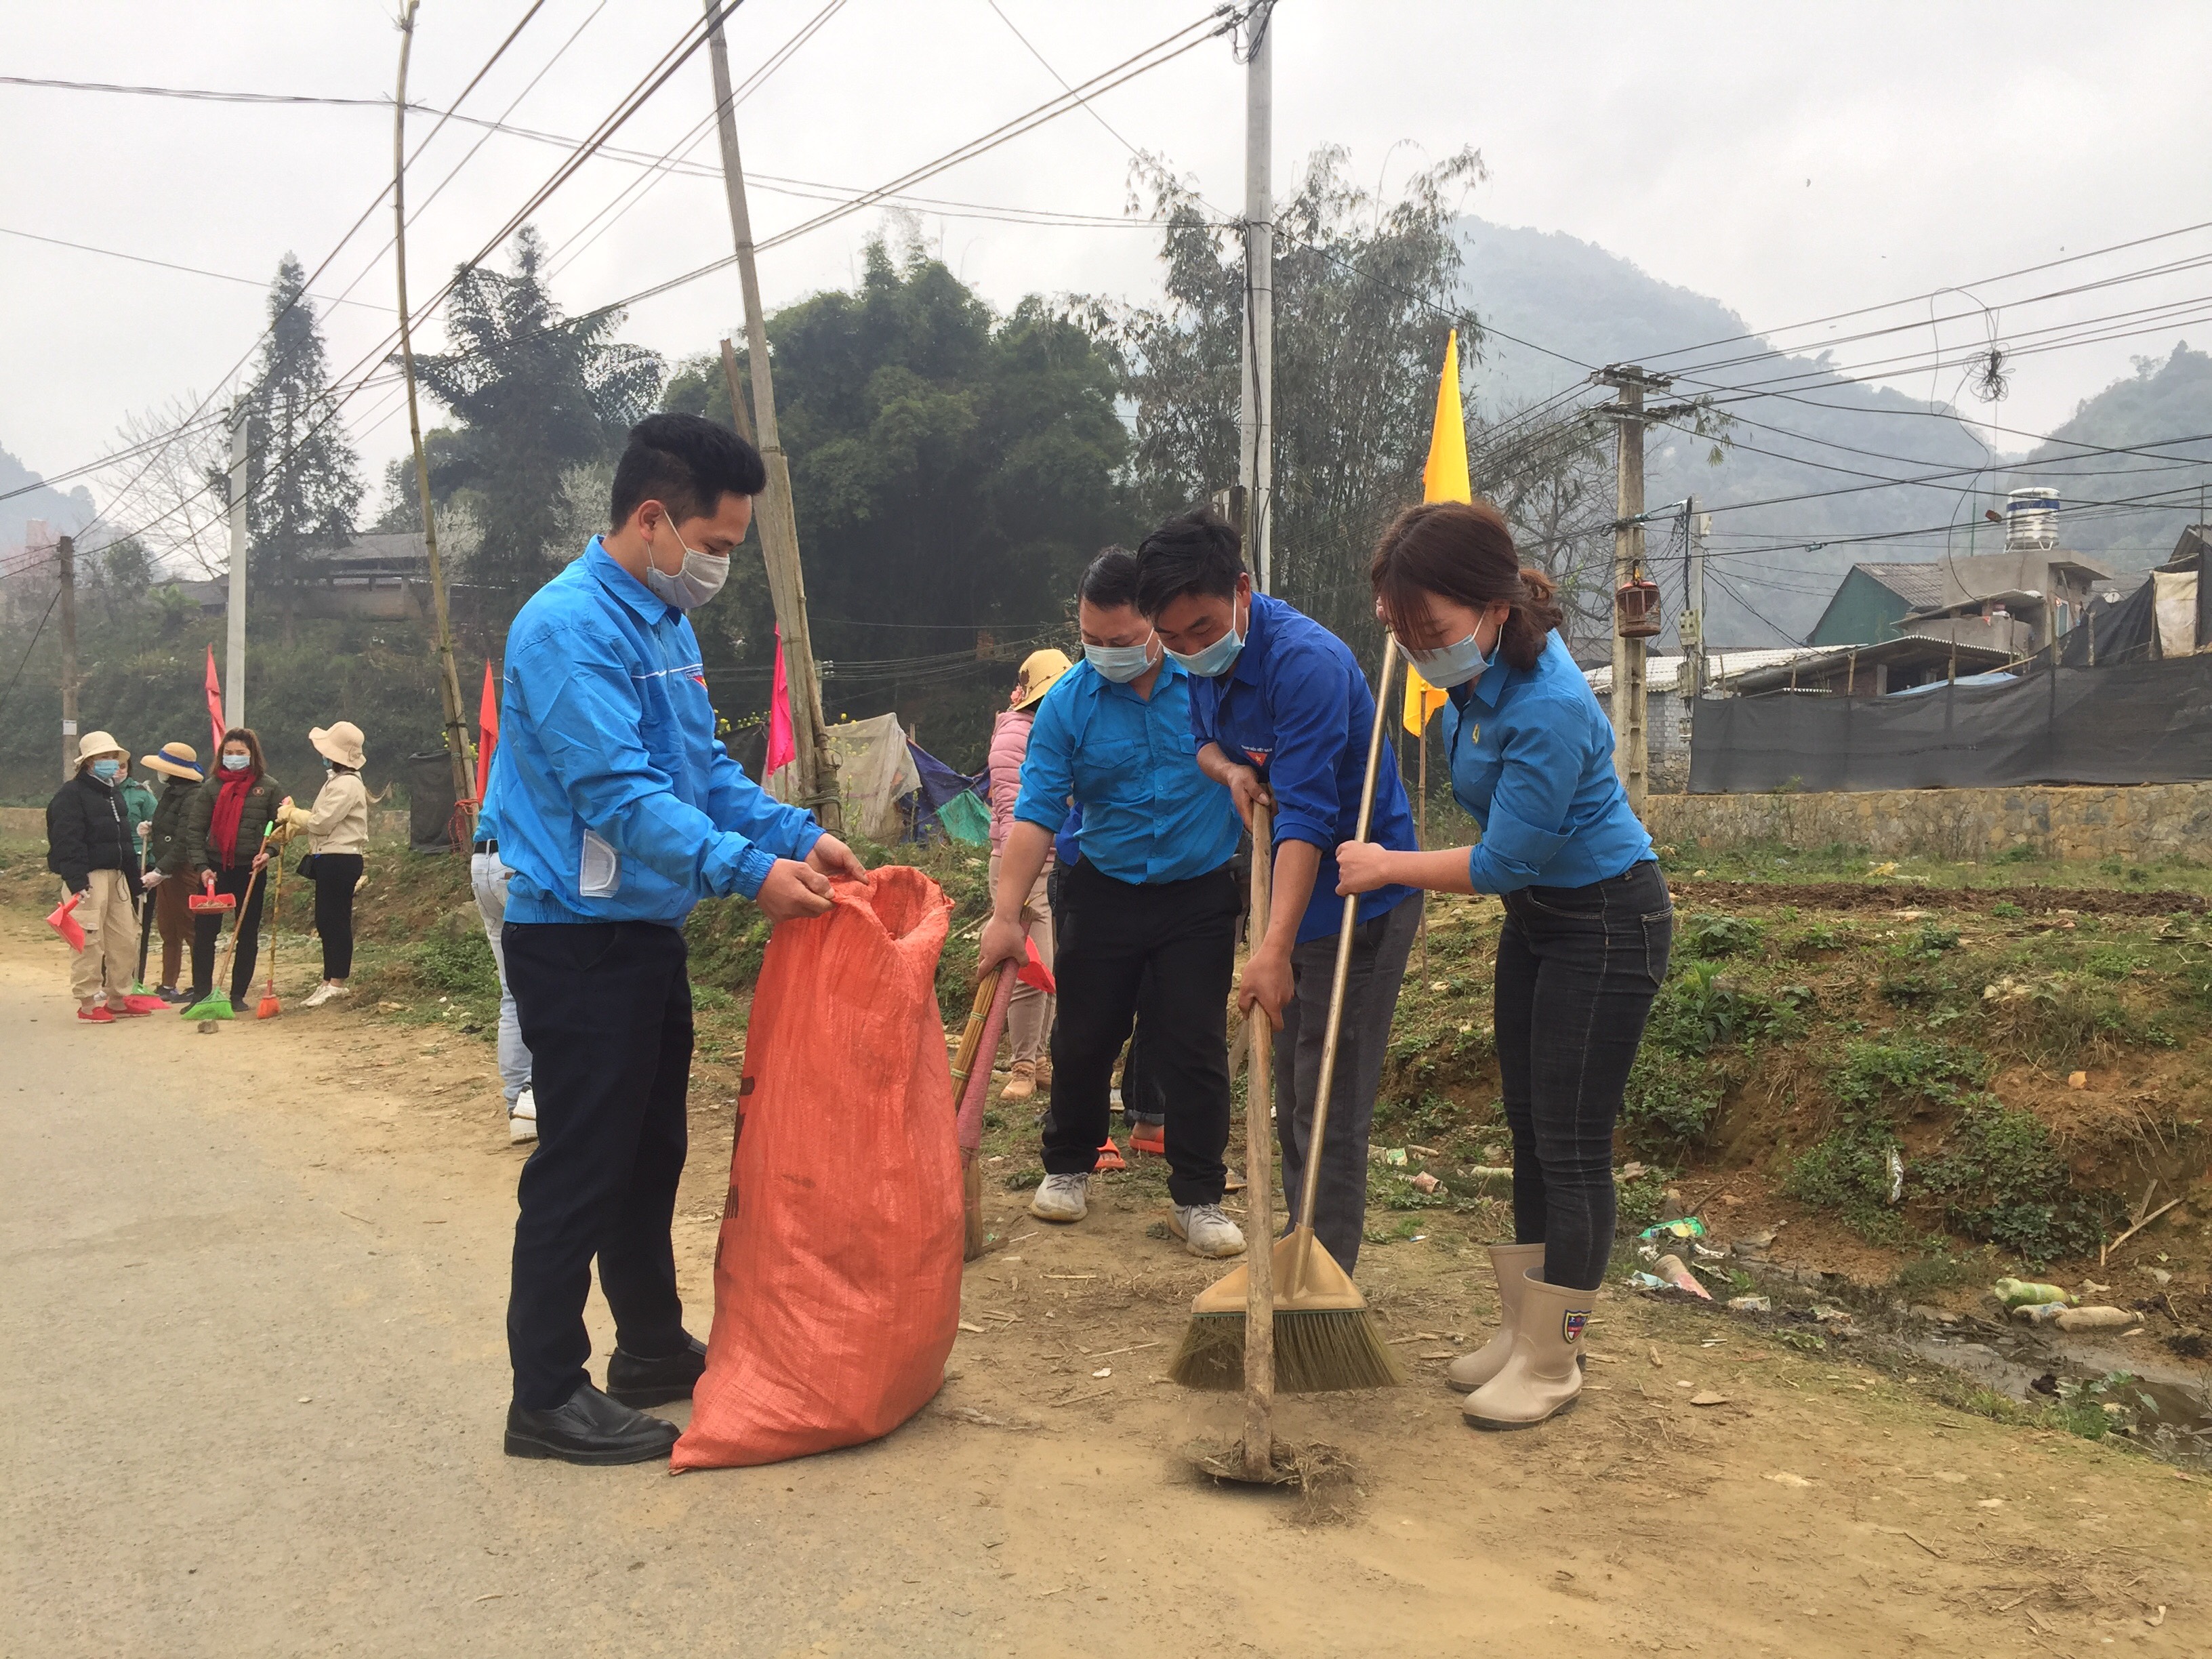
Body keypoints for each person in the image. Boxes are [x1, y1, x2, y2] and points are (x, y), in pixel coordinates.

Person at [489, 411, 865, 1467]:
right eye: (719, 546)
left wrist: (802, 836)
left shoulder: (662, 625)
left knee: (649, 1154)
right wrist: (750, 874)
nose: (720, 567)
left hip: (643, 934)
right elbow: (617, 794)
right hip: (574, 940)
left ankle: (650, 1348)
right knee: (582, 1162)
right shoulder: (567, 629)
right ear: (654, 520)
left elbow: (703, 778)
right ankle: (545, 1393)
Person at [1336, 499, 1672, 1430]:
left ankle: (1554, 1356)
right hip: (1542, 922)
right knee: (1528, 1131)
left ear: (1492, 606)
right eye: (1401, 632)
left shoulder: (1551, 705)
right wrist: (1405, 618)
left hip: (1605, 925)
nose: (1419, 648)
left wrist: (1389, 867)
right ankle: (1523, 1334)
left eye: (1432, 629)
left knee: (1572, 1146)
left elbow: (1504, 860)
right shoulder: (1475, 678)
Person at [1136, 508, 1422, 1280]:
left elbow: (1306, 816)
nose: (1192, 649)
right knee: (1292, 1089)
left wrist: (1269, 951)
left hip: (1362, 897)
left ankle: (1321, 1276)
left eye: (1202, 627)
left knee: (1325, 1102)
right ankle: (1299, 1247)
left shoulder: (1307, 665)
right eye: (1175, 638)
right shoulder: (1204, 664)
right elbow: (1203, 740)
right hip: (1291, 896)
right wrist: (1229, 772)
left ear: (1242, 589)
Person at [977, 548, 1246, 1261]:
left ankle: (1199, 1196)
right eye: (1091, 641)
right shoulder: (1069, 701)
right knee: (1086, 1035)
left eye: (1122, 643)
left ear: (1158, 626)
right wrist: (1007, 916)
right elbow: (1035, 813)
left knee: (1192, 1042)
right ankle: (1068, 1165)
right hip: (1101, 887)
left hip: (1198, 889)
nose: (1105, 654)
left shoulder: (1210, 684)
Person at [986, 647, 1069, 1104]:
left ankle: (1039, 1060)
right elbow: (1023, 816)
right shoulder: (1016, 737)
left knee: (1051, 966)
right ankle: (1021, 1063)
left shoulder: (1043, 731)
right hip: (1022, 866)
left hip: (1053, 863)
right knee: (1025, 968)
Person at [47, 730, 155, 1022]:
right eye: (103, 757)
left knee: (126, 937)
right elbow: (67, 840)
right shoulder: (70, 795)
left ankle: (118, 998)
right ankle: (87, 1003)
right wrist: (76, 881)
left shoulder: (114, 795)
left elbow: (124, 842)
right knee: (89, 941)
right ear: (88, 762)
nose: (110, 762)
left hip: (117, 877)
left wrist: (135, 882)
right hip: (88, 878)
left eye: (113, 757)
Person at [182, 729, 290, 1010]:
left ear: (252, 755)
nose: (234, 758)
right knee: (205, 932)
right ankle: (202, 994)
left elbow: (282, 828)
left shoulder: (269, 787)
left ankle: (237, 996)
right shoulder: (211, 787)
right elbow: (195, 830)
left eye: (240, 753)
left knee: (247, 932)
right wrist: (202, 867)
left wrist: (268, 853)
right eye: (228, 753)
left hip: (251, 870)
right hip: (215, 870)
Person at [279, 721, 370, 1008]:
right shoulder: (334, 781)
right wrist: (295, 826)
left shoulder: (348, 784)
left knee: (336, 921)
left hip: (341, 859)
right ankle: (328, 980)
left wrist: (293, 815)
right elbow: (321, 821)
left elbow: (321, 822)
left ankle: (337, 982)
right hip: (328, 857)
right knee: (326, 920)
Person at [470, 791, 537, 1145]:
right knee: (549, 987)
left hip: (483, 861)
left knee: (513, 994)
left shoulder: (508, 744)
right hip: (516, 859)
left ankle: (518, 1104)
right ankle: (533, 1097)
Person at [138, 740, 205, 1002]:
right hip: (165, 867)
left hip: (183, 868)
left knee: (190, 927)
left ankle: (201, 983)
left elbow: (186, 837)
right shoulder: (172, 791)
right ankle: (168, 983)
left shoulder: (194, 795)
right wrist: (152, 828)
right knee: (169, 928)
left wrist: (162, 870)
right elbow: (169, 827)